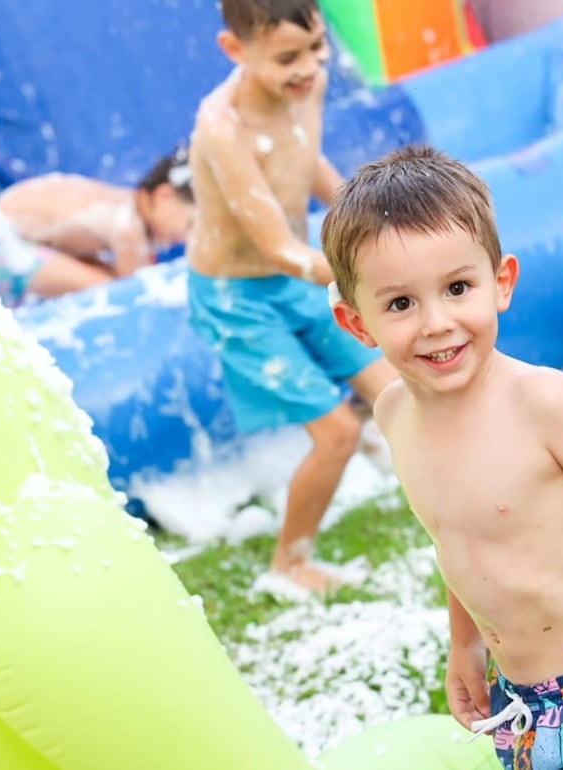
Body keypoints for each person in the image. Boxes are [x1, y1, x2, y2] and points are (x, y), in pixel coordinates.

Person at [322, 145, 563, 768]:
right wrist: (464, 645)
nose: (437, 323)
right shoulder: (394, 414)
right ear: (357, 324)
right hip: (514, 702)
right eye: (400, 304)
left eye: (458, 288)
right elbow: (457, 541)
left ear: (501, 283)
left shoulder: (547, 405)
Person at [186, 0, 397, 594]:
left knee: (396, 387)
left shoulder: (311, 81)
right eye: (288, 58)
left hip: (295, 275)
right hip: (238, 297)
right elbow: (278, 247)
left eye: (318, 47)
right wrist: (376, 277)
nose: (309, 67)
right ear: (236, 51)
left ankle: (437, 485)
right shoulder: (222, 127)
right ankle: (290, 563)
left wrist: (367, 213)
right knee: (336, 433)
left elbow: (303, 161)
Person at [0, 148, 195, 307]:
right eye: (190, 224)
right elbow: (141, 294)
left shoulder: (118, 207)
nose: (187, 238)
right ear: (164, 195)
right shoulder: (129, 223)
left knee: (103, 280)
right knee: (111, 292)